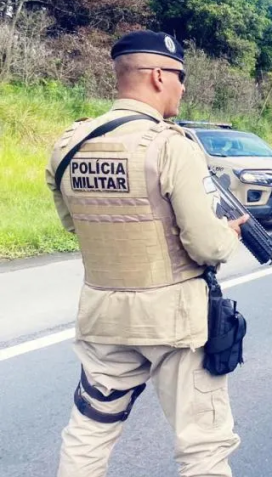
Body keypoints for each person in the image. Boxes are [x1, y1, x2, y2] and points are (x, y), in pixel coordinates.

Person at [45, 30, 248, 477]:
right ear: (158, 75)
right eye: (180, 76)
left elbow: (72, 224)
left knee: (90, 430)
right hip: (172, 319)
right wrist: (229, 234)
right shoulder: (171, 145)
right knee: (204, 447)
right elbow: (207, 244)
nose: (182, 87)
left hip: (103, 314)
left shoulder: (69, 144)